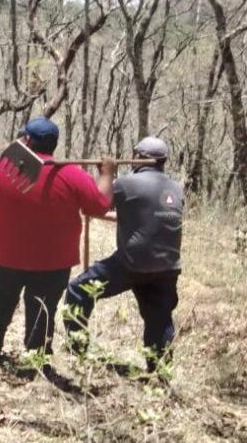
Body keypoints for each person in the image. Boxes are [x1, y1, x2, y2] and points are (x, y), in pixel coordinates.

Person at [0, 117, 115, 365]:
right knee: (41, 314)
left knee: (0, 305)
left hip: (9, 259)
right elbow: (100, 206)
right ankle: (34, 361)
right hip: (53, 265)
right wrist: (107, 174)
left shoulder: (2, 167)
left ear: (26, 140)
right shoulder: (72, 175)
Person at [64, 137, 183, 372]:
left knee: (78, 290)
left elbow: (96, 205)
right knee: (159, 320)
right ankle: (161, 374)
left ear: (139, 158)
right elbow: (146, 216)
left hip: (132, 264)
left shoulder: (127, 184)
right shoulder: (175, 187)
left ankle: (76, 351)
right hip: (168, 267)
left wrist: (107, 174)